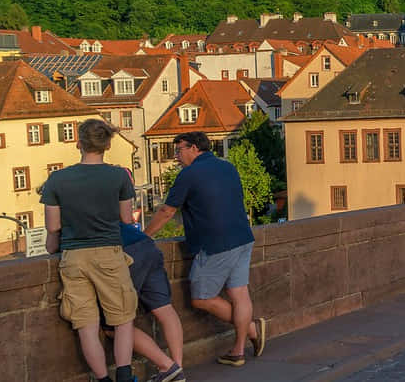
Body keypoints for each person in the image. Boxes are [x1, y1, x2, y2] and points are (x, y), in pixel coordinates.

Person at [145, 131, 265, 367]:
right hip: (242, 237)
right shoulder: (227, 166)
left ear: (194, 148)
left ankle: (251, 327)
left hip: (216, 243)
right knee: (240, 294)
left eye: (178, 150)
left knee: (201, 298)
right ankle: (239, 350)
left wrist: (145, 236)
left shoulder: (189, 174)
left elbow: (167, 211)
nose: (176, 156)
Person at [41, 119, 139, 382]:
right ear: (107, 144)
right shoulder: (118, 176)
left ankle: (102, 378)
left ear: (79, 143)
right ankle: (124, 374)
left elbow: (53, 227)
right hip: (108, 251)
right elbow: (127, 218)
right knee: (122, 317)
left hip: (73, 256)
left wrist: (53, 246)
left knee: (86, 323)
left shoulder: (57, 179)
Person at [117, 221, 186, 382]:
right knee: (164, 309)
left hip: (123, 250)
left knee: (115, 324)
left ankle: (168, 367)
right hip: (144, 243)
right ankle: (177, 369)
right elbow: (127, 218)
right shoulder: (109, 195)